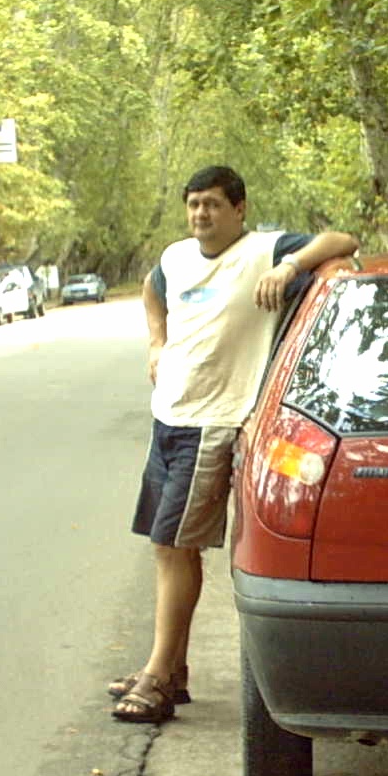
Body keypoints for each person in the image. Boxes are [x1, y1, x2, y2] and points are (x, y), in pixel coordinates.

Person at [109, 165, 359, 723]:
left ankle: (157, 676)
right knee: (168, 547)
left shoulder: (264, 251)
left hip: (214, 424)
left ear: (239, 209)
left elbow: (342, 241)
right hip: (169, 416)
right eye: (194, 203)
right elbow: (152, 288)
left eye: (214, 204)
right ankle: (172, 670)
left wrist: (290, 266)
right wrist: (156, 342)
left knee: (175, 547)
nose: (202, 213)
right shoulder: (176, 257)